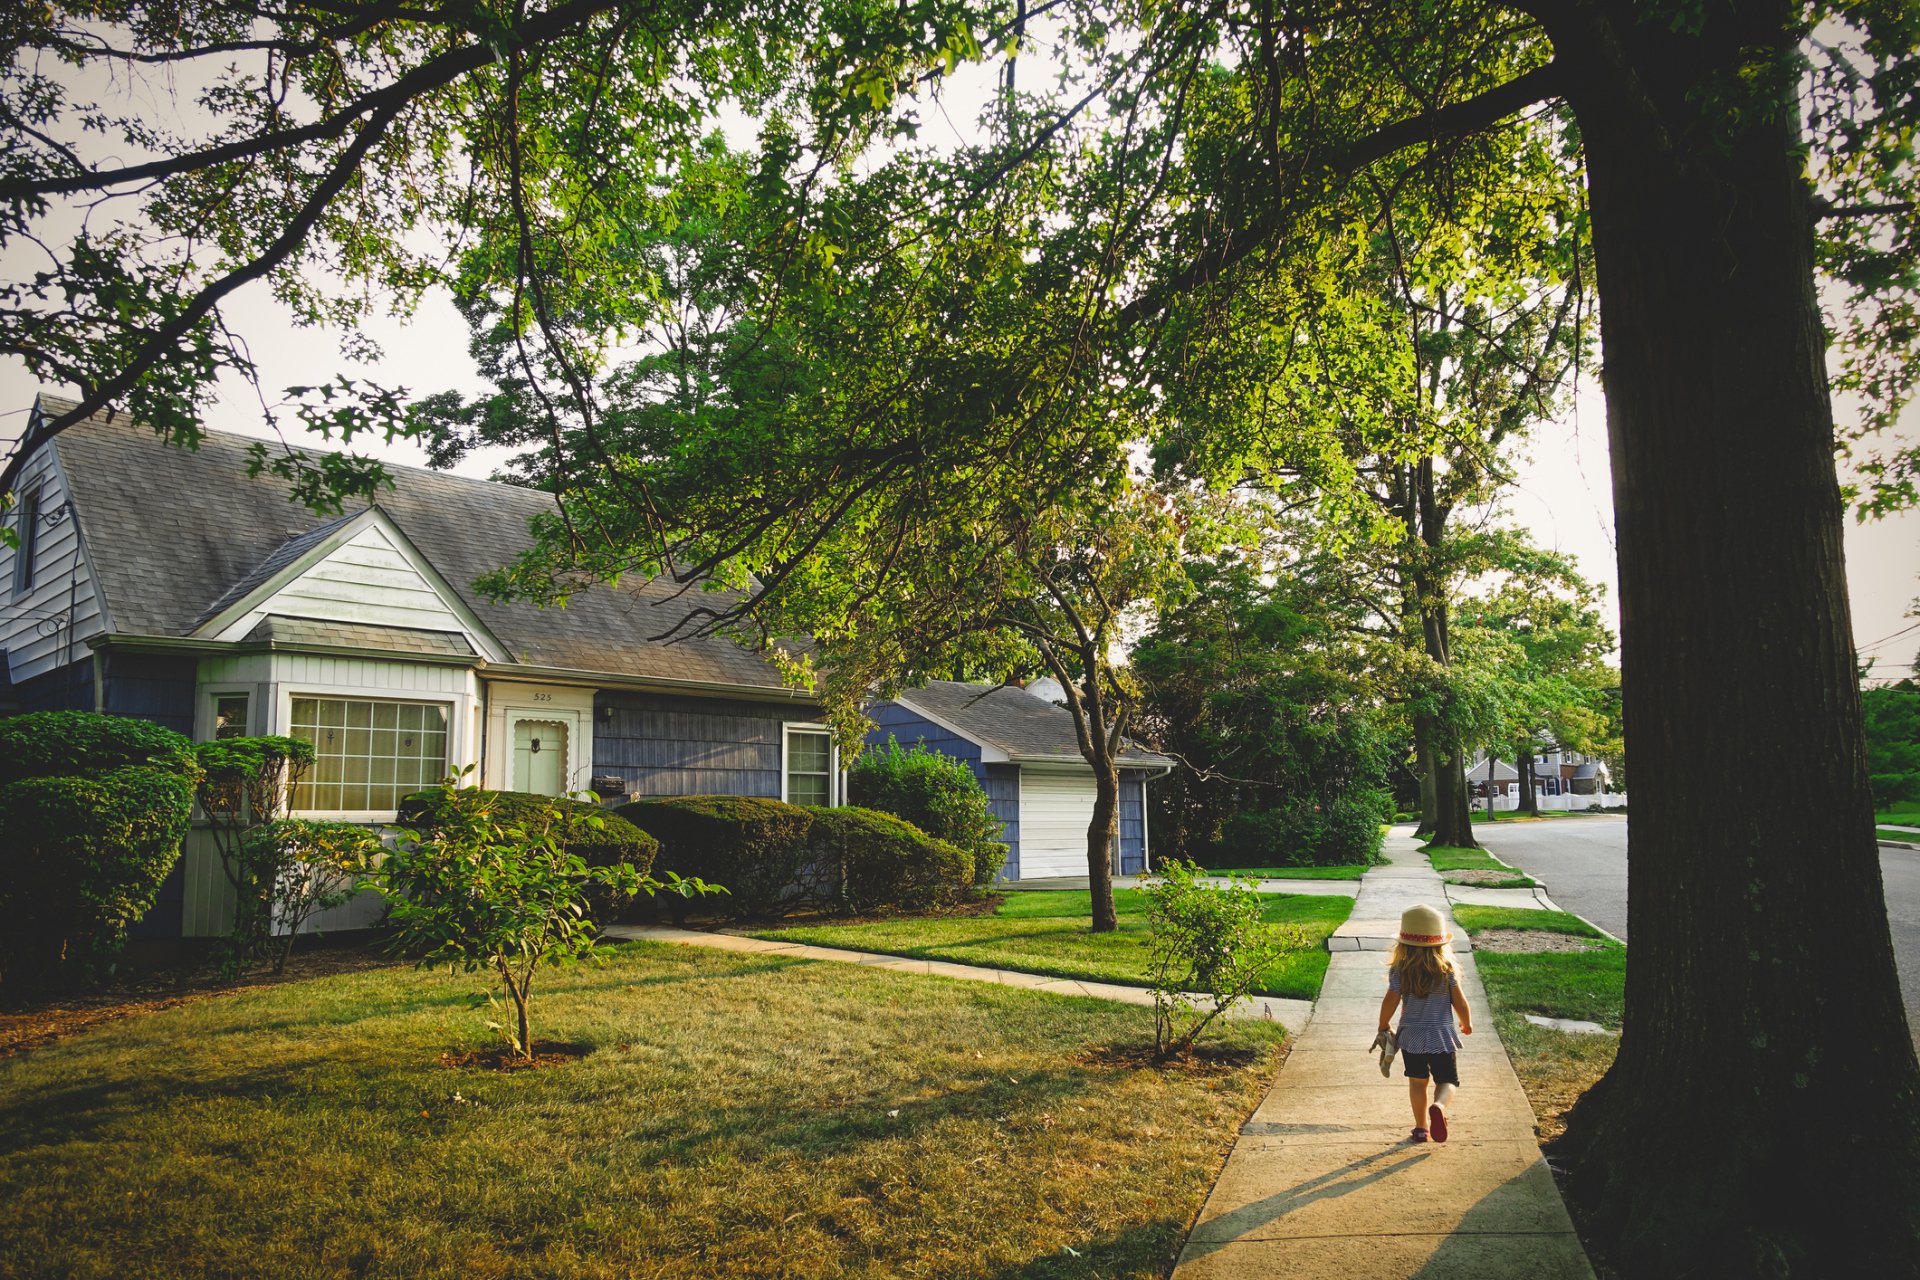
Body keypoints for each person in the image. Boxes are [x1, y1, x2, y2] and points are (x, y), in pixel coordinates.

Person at [1375, 903, 1472, 1143]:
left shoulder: (1400, 971)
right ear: (1441, 943)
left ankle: (1421, 1128)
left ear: (1403, 944)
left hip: (1411, 1037)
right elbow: (1459, 1001)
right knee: (1447, 1080)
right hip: (1441, 1036)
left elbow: (1391, 1000)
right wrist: (1466, 1022)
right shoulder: (1447, 970)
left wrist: (1383, 1024)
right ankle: (1439, 1106)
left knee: (1418, 1082)